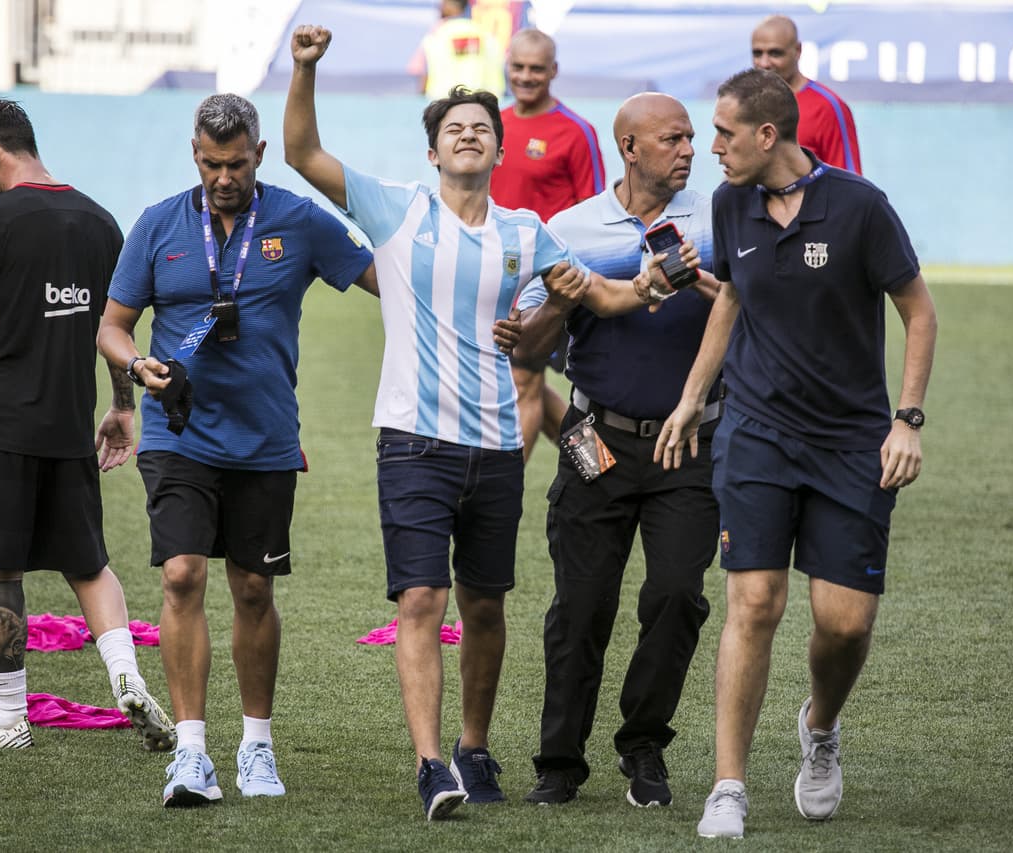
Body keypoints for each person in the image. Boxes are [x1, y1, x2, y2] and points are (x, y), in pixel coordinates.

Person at [283, 23, 674, 821]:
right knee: (420, 599)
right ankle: (432, 764)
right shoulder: (394, 209)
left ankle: (472, 743)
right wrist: (303, 68)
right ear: (434, 153)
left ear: (499, 151)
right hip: (414, 443)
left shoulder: (528, 234)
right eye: (454, 129)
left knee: (486, 605)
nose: (468, 136)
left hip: (499, 444)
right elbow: (301, 153)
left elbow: (598, 297)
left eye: (482, 130)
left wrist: (651, 286)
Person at [653, 68, 937, 839]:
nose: (708, 148)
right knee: (754, 602)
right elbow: (735, 298)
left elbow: (918, 311)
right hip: (756, 433)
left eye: (723, 133)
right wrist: (690, 397)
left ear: (768, 135)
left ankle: (819, 724)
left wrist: (906, 419)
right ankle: (729, 785)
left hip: (851, 440)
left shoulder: (861, 207)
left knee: (842, 623)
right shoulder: (729, 202)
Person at [96, 93, 378, 808]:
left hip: (265, 438)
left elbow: (385, 279)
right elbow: (113, 325)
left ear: (258, 152)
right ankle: (191, 753)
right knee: (183, 573)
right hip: (178, 431)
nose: (224, 176)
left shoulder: (299, 220)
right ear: (196, 154)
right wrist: (136, 370)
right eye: (211, 163)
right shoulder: (159, 223)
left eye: (237, 163)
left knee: (253, 587)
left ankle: (256, 744)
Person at [0, 96, 174, 754]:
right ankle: (126, 676)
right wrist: (121, 405)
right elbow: (113, 326)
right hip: (69, 424)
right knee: (90, 564)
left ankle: (9, 718)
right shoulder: (101, 222)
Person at [513, 92, 722, 809]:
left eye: (692, 137)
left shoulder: (719, 218)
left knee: (675, 596)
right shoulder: (569, 229)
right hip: (593, 439)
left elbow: (749, 311)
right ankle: (559, 762)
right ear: (628, 147)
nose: (689, 149)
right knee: (581, 605)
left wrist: (696, 279)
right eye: (673, 138)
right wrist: (566, 299)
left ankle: (643, 746)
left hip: (691, 446)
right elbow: (531, 351)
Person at [490, 28, 606, 463]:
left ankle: (499, 498)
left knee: (522, 380)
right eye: (518, 66)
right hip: (495, 276)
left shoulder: (577, 132)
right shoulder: (493, 124)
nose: (526, 76)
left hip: (546, 282)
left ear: (553, 70)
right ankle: (599, 468)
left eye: (536, 68)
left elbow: (595, 215)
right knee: (523, 379)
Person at [751, 15, 861, 174]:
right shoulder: (747, 105)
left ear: (797, 50)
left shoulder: (827, 107)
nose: (764, 63)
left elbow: (850, 184)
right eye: (757, 53)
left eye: (775, 53)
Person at [408, 0, 506, 99]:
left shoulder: (436, 36)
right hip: (485, 103)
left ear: (451, 5)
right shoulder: (487, 35)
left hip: (442, 104)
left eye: (443, 3)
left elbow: (424, 74)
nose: (439, 7)